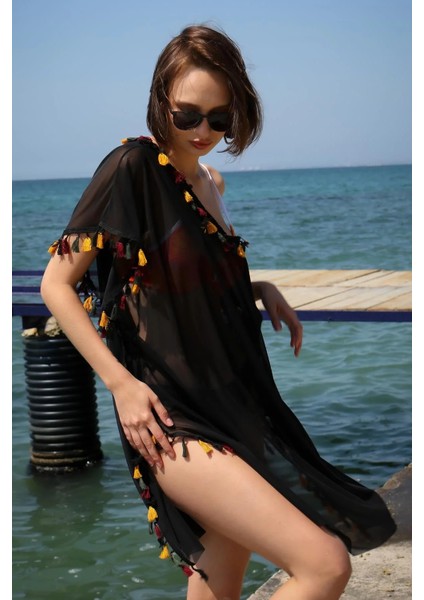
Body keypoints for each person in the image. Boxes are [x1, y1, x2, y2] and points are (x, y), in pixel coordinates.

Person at [41, 24, 396, 600]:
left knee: (221, 577)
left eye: (219, 117)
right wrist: (121, 385)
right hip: (170, 417)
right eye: (187, 114)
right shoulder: (133, 167)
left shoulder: (210, 181)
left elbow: (186, 282)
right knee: (326, 565)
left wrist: (258, 288)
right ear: (161, 101)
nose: (202, 131)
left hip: (234, 407)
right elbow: (56, 285)